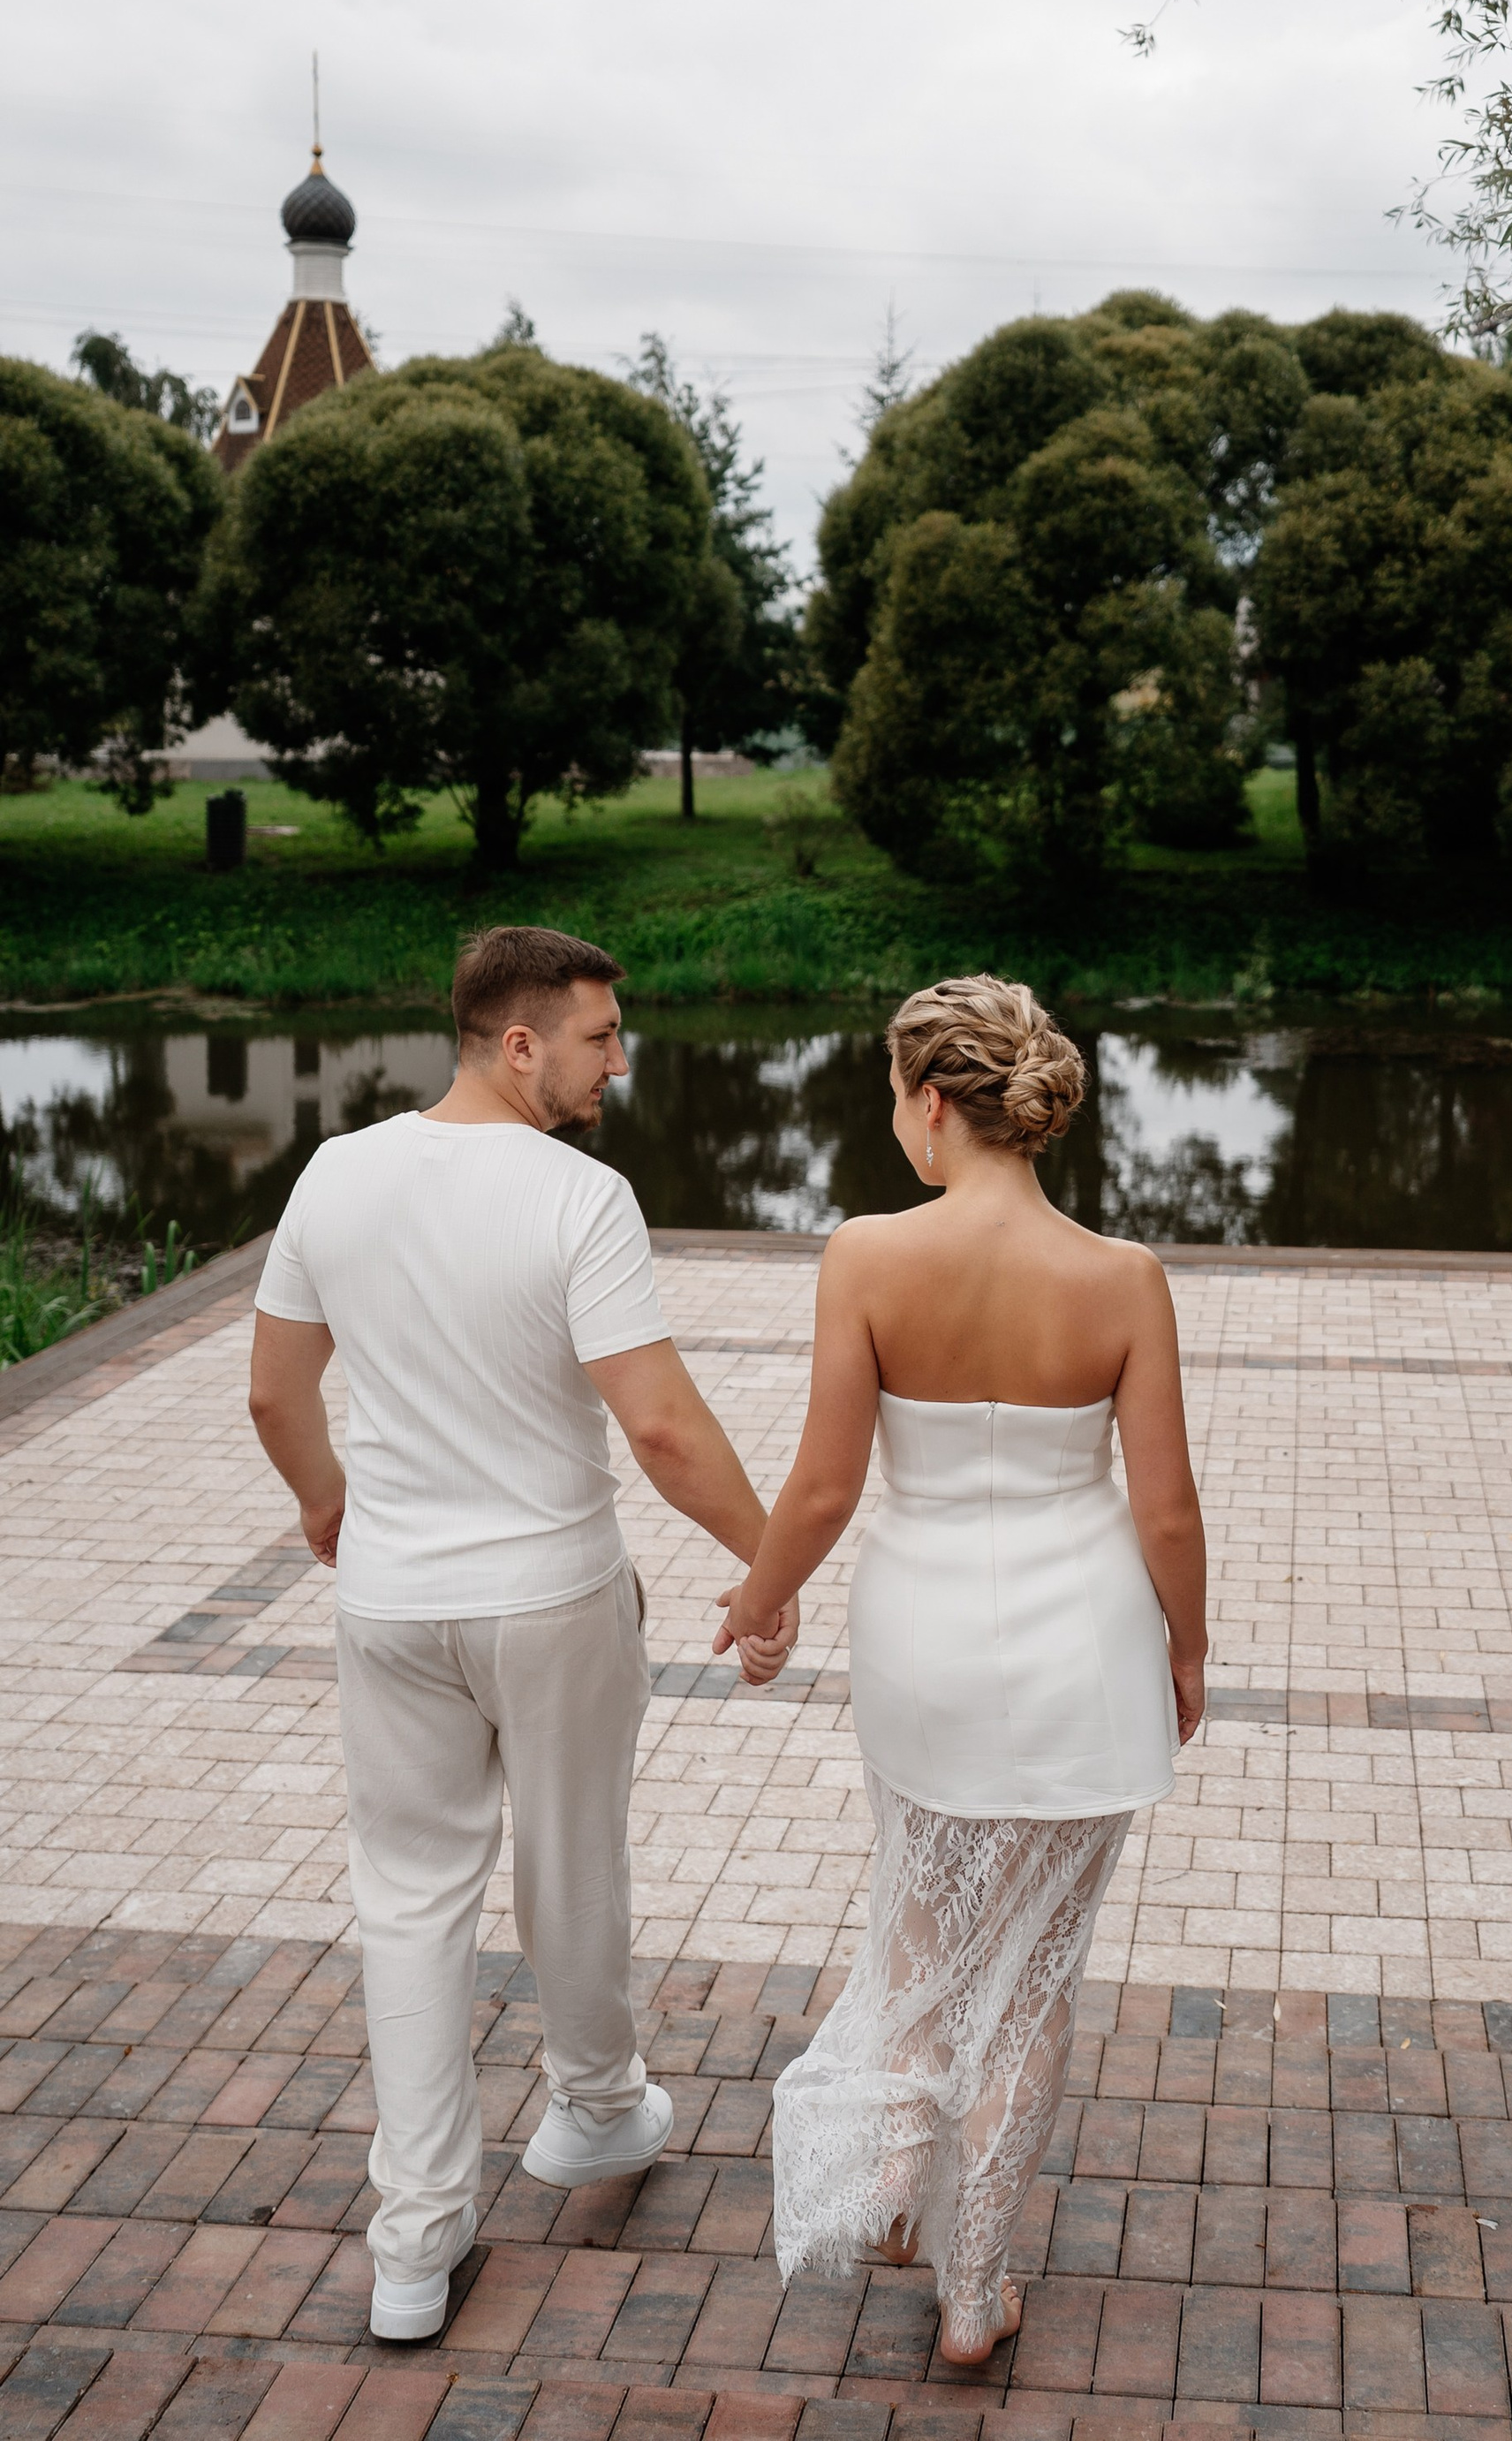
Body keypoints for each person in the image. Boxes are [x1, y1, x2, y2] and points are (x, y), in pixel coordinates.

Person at [246, 924, 798, 2346]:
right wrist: (770, 1565)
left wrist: (327, 1504)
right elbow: (663, 1429)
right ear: (519, 1043)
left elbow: (273, 1391)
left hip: (389, 1599)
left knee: (410, 1904)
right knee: (572, 1859)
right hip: (550, 1594)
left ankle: (417, 2245)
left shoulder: (335, 1172)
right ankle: (597, 2112)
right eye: (603, 1037)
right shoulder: (581, 1198)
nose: (623, 1060)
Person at [718, 972, 1206, 2367]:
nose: (896, 1123)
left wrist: (757, 1604)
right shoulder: (1124, 1280)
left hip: (924, 1641)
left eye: (894, 1097)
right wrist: (1188, 1649)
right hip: (1085, 1654)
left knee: (926, 1933)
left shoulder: (868, 1256)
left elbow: (821, 1486)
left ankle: (889, 2197)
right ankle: (976, 2289)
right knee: (1035, 1983)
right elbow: (1166, 1512)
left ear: (933, 1102)